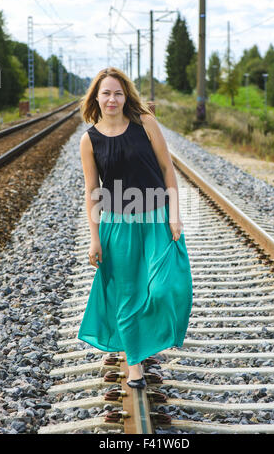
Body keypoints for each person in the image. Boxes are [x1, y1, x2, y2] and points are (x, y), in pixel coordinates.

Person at [77, 67, 193, 389]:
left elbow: (168, 169)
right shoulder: (90, 140)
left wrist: (175, 215)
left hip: (156, 218)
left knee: (164, 287)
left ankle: (149, 341)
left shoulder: (145, 123)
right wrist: (94, 239)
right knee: (127, 296)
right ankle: (134, 366)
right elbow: (91, 192)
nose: (112, 98)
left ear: (125, 95)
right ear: (96, 98)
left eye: (117, 92)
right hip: (118, 224)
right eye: (106, 93)